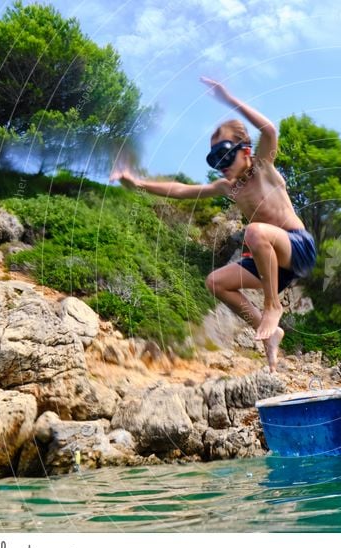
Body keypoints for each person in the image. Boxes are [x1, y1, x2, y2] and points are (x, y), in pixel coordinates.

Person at [110, 77, 316, 372]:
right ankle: (270, 336)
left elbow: (269, 130)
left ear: (245, 151)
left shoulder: (263, 167)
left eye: (225, 156)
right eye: (214, 161)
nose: (221, 166)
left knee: (255, 232)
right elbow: (182, 190)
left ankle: (272, 306)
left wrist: (228, 97)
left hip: (297, 247)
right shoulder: (227, 187)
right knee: (216, 282)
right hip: (273, 263)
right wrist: (138, 183)